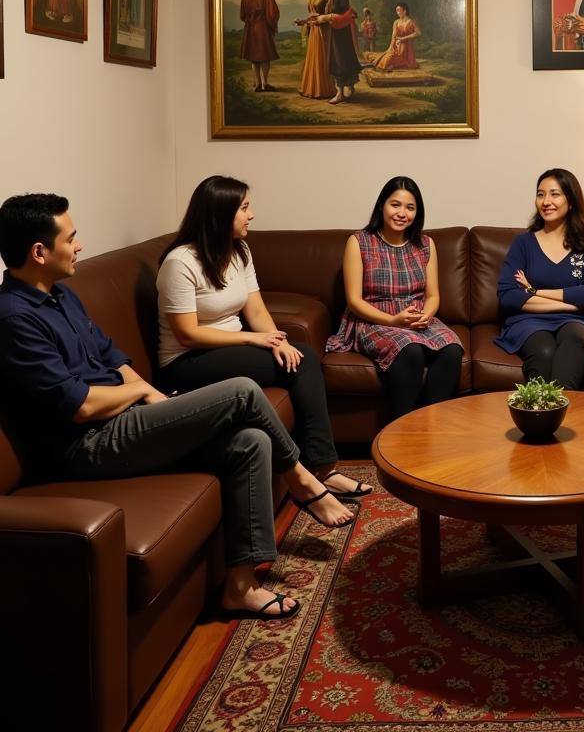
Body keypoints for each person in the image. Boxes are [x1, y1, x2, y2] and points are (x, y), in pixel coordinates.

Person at [0, 194, 355, 620]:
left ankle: (240, 586)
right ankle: (299, 478)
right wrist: (140, 395)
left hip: (125, 419)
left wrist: (152, 397)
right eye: (71, 239)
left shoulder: (62, 296)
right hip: (87, 444)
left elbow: (113, 359)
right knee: (242, 390)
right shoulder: (14, 317)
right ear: (39, 252)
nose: (79, 246)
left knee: (250, 441)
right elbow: (81, 406)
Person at [156, 176, 371, 499]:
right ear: (220, 214)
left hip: (228, 348)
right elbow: (187, 334)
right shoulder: (180, 263)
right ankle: (325, 470)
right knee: (305, 363)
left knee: (300, 356)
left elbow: (255, 310)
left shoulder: (239, 251)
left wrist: (277, 341)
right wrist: (251, 341)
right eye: (244, 208)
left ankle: (323, 467)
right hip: (186, 362)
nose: (251, 215)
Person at [326, 176, 463, 418]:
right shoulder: (359, 242)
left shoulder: (425, 244)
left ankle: (432, 425)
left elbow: (432, 296)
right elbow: (354, 301)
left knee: (452, 349)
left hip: (416, 318)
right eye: (395, 205)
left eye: (410, 208)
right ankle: (402, 429)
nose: (402, 213)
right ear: (382, 205)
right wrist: (392, 321)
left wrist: (426, 316)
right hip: (373, 319)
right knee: (410, 349)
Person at [495, 168, 584, 389]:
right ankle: (540, 417)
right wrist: (574, 304)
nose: (546, 201)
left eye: (555, 194)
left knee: (574, 340)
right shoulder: (523, 244)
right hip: (527, 322)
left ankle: (563, 414)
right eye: (540, 194)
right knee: (544, 350)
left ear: (572, 201)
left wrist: (534, 291)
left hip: (577, 322)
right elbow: (507, 295)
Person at [309, 0, 361, 104]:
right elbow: (320, 11)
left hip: (342, 32)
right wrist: (314, 18)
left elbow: (344, 11)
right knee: (337, 60)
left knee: (342, 59)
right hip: (333, 32)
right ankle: (342, 91)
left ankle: (342, 92)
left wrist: (325, 17)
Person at [239, 0, 280, 93]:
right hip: (262, 28)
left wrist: (250, 22)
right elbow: (272, 15)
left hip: (250, 29)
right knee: (264, 58)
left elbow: (242, 15)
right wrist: (273, 26)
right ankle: (264, 84)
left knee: (254, 58)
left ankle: (257, 84)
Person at [296, 0, 333, 99]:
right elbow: (311, 17)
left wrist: (316, 21)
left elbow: (329, 17)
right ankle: (311, 88)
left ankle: (322, 89)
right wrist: (303, 22)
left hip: (323, 31)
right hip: (314, 32)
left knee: (322, 58)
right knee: (313, 58)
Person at [372, 2, 421, 71]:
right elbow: (394, 35)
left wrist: (403, 38)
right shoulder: (396, 22)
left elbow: (418, 33)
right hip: (397, 46)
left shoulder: (410, 21)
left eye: (399, 10)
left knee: (392, 61)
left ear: (404, 11)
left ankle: (395, 64)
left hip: (407, 48)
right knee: (386, 58)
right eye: (396, 10)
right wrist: (391, 46)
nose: (397, 12)